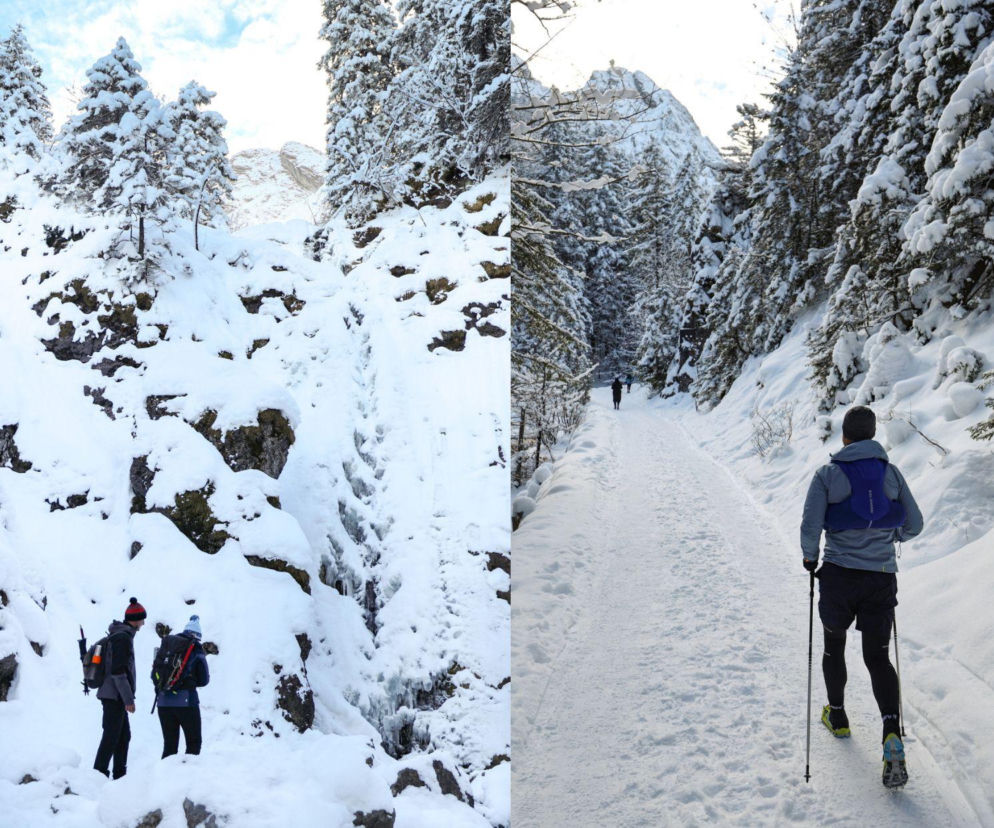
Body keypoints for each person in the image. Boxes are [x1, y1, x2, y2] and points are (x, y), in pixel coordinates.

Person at [800, 405, 923, 788]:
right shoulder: (891, 473)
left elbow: (811, 524)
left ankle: (837, 716)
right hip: (880, 579)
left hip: (838, 577)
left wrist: (810, 559)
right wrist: (892, 539)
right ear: (873, 437)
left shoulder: (828, 474)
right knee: (878, 657)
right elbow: (914, 524)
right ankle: (891, 734)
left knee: (834, 646)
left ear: (845, 437)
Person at [94, 597, 146, 779]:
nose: (143, 623)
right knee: (111, 736)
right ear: (135, 620)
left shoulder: (120, 635)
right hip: (114, 696)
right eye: (142, 620)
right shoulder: (123, 638)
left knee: (123, 736)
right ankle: (97, 775)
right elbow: (118, 672)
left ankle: (120, 776)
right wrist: (128, 700)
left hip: (113, 695)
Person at [155, 615, 210, 758]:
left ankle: (164, 779)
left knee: (169, 746)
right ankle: (188, 778)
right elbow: (204, 680)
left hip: (163, 702)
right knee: (193, 743)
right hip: (186, 702)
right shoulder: (195, 649)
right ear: (197, 636)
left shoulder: (168, 645)